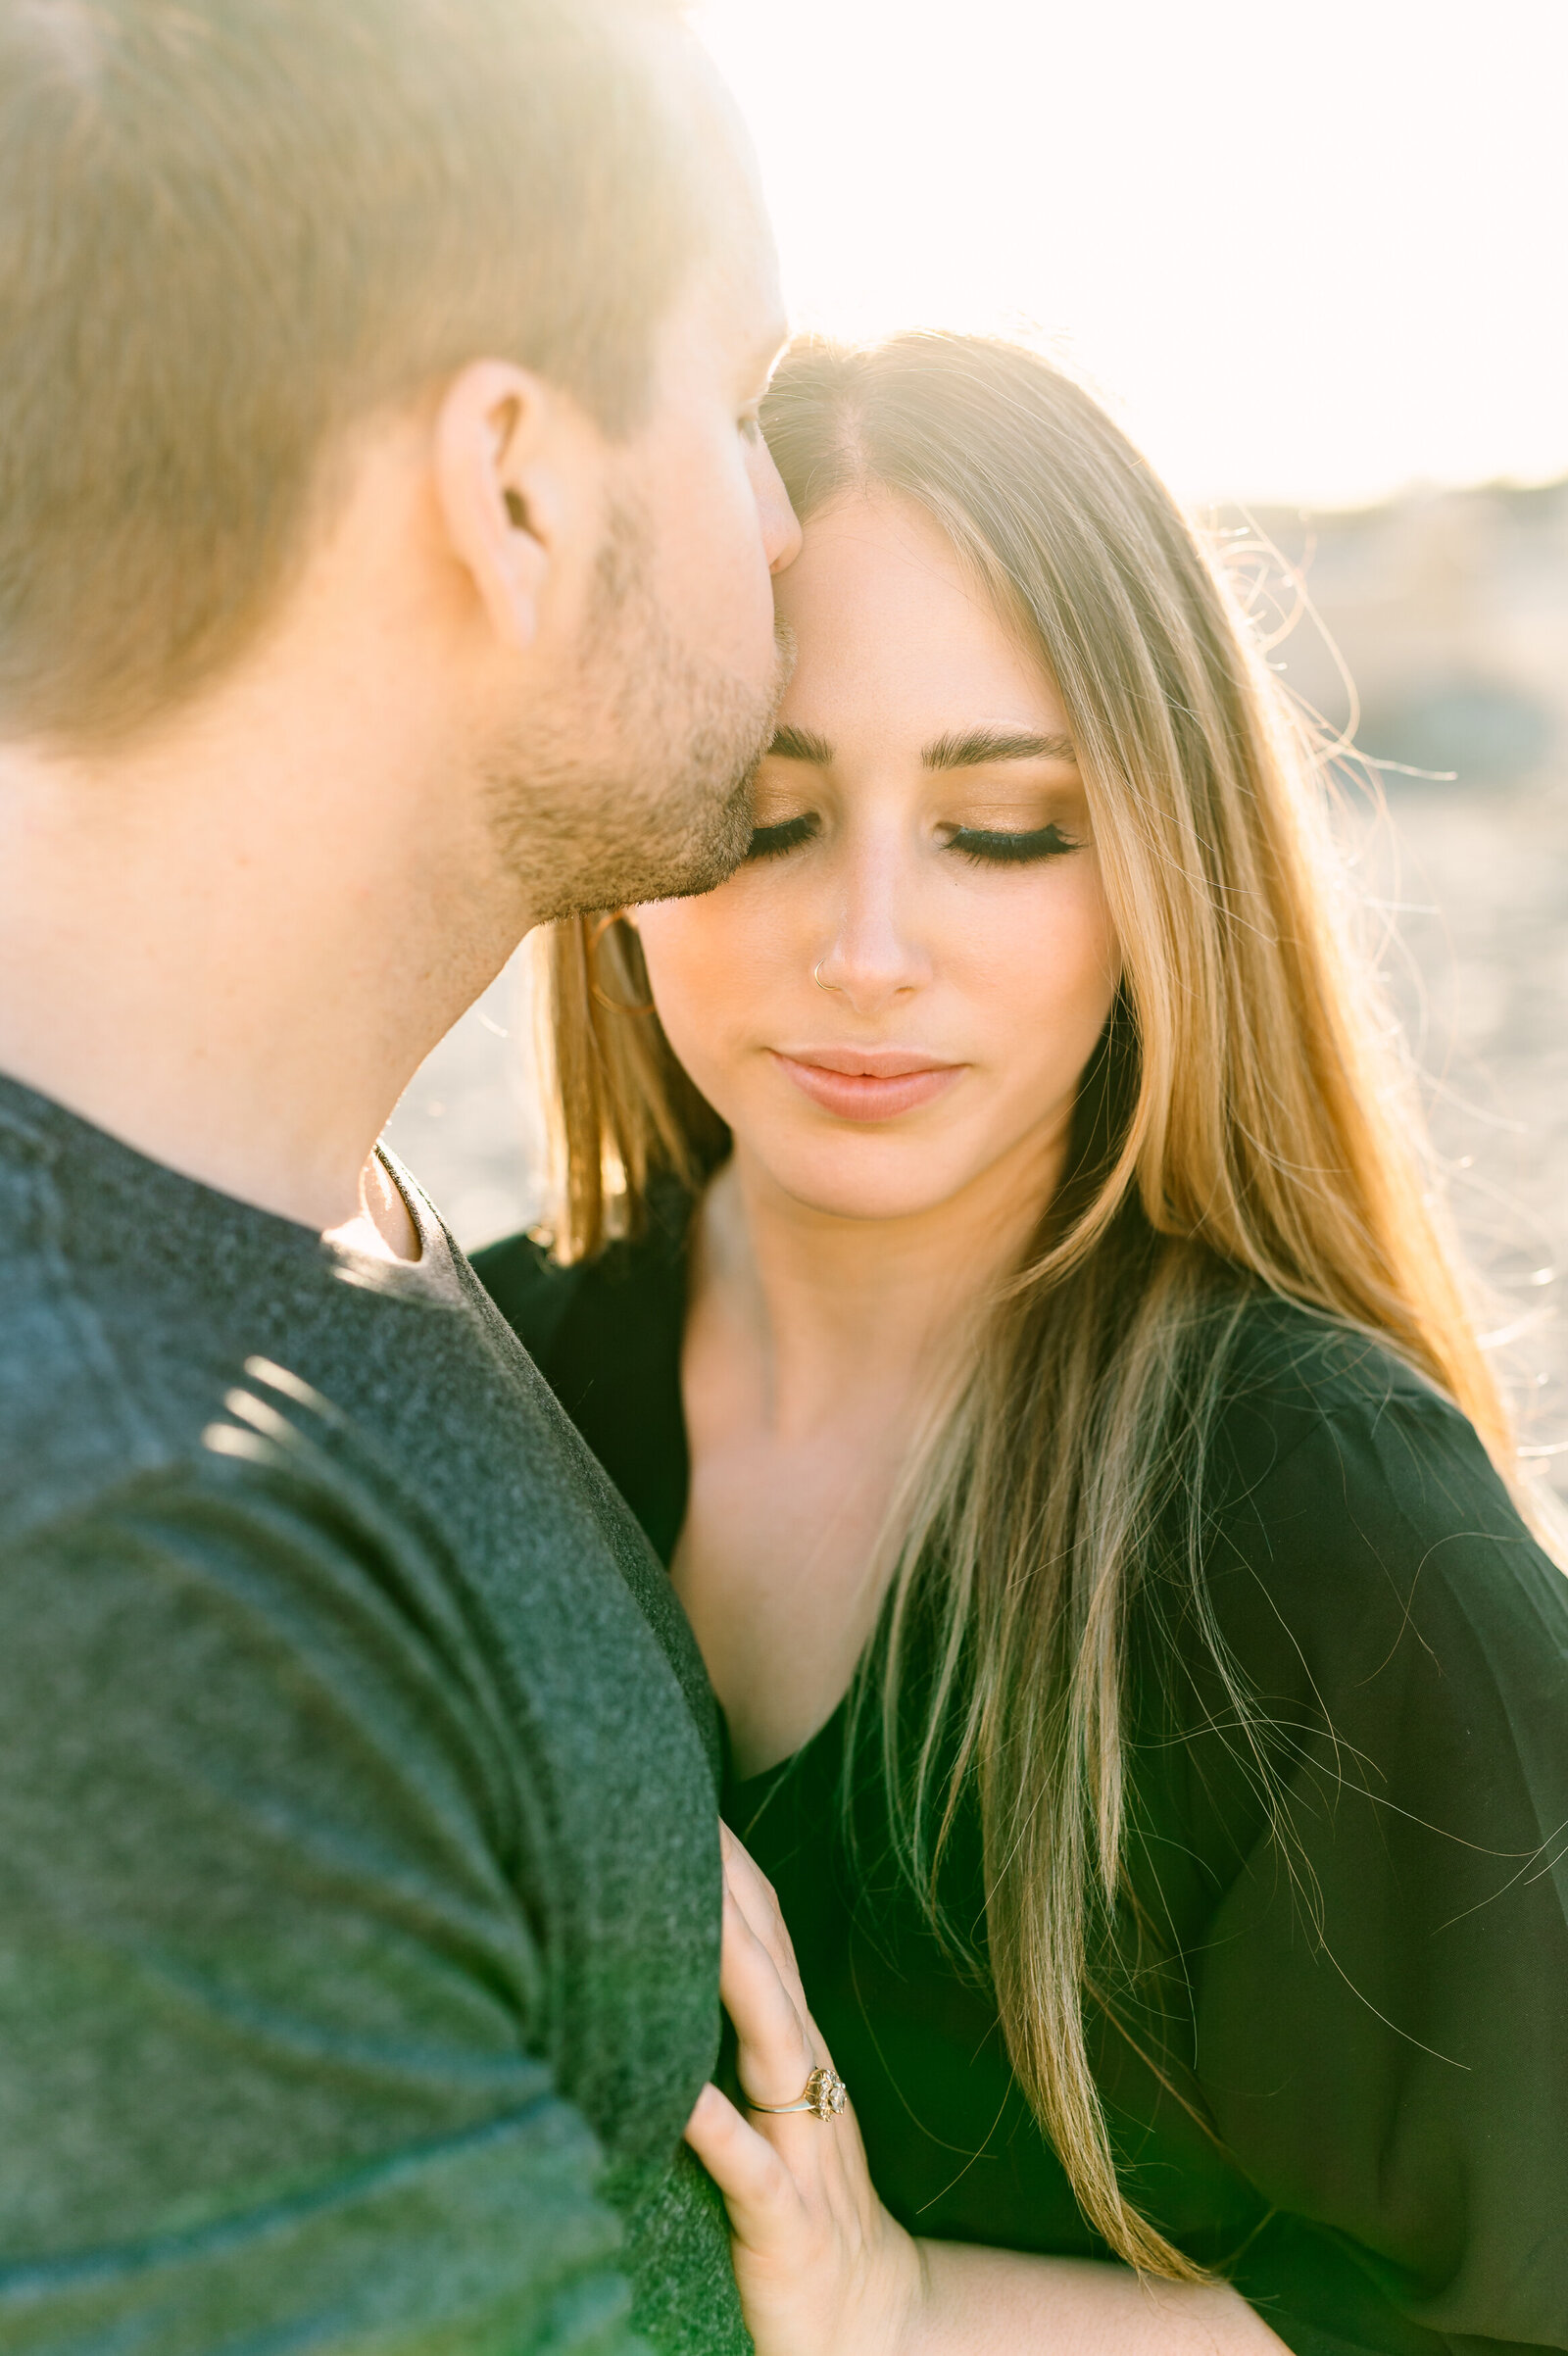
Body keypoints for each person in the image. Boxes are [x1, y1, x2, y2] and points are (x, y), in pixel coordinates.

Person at [477, 333, 1568, 2354]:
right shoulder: (466, 1386)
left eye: (1005, 828)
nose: (867, 944)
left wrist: (901, 2308)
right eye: (759, 812)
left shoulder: (1326, 1529)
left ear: (1166, 864)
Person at [0, 2, 801, 2348]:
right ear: (516, 489)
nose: (780, 520)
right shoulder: (130, 1571)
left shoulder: (291, 1201)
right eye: (738, 405)